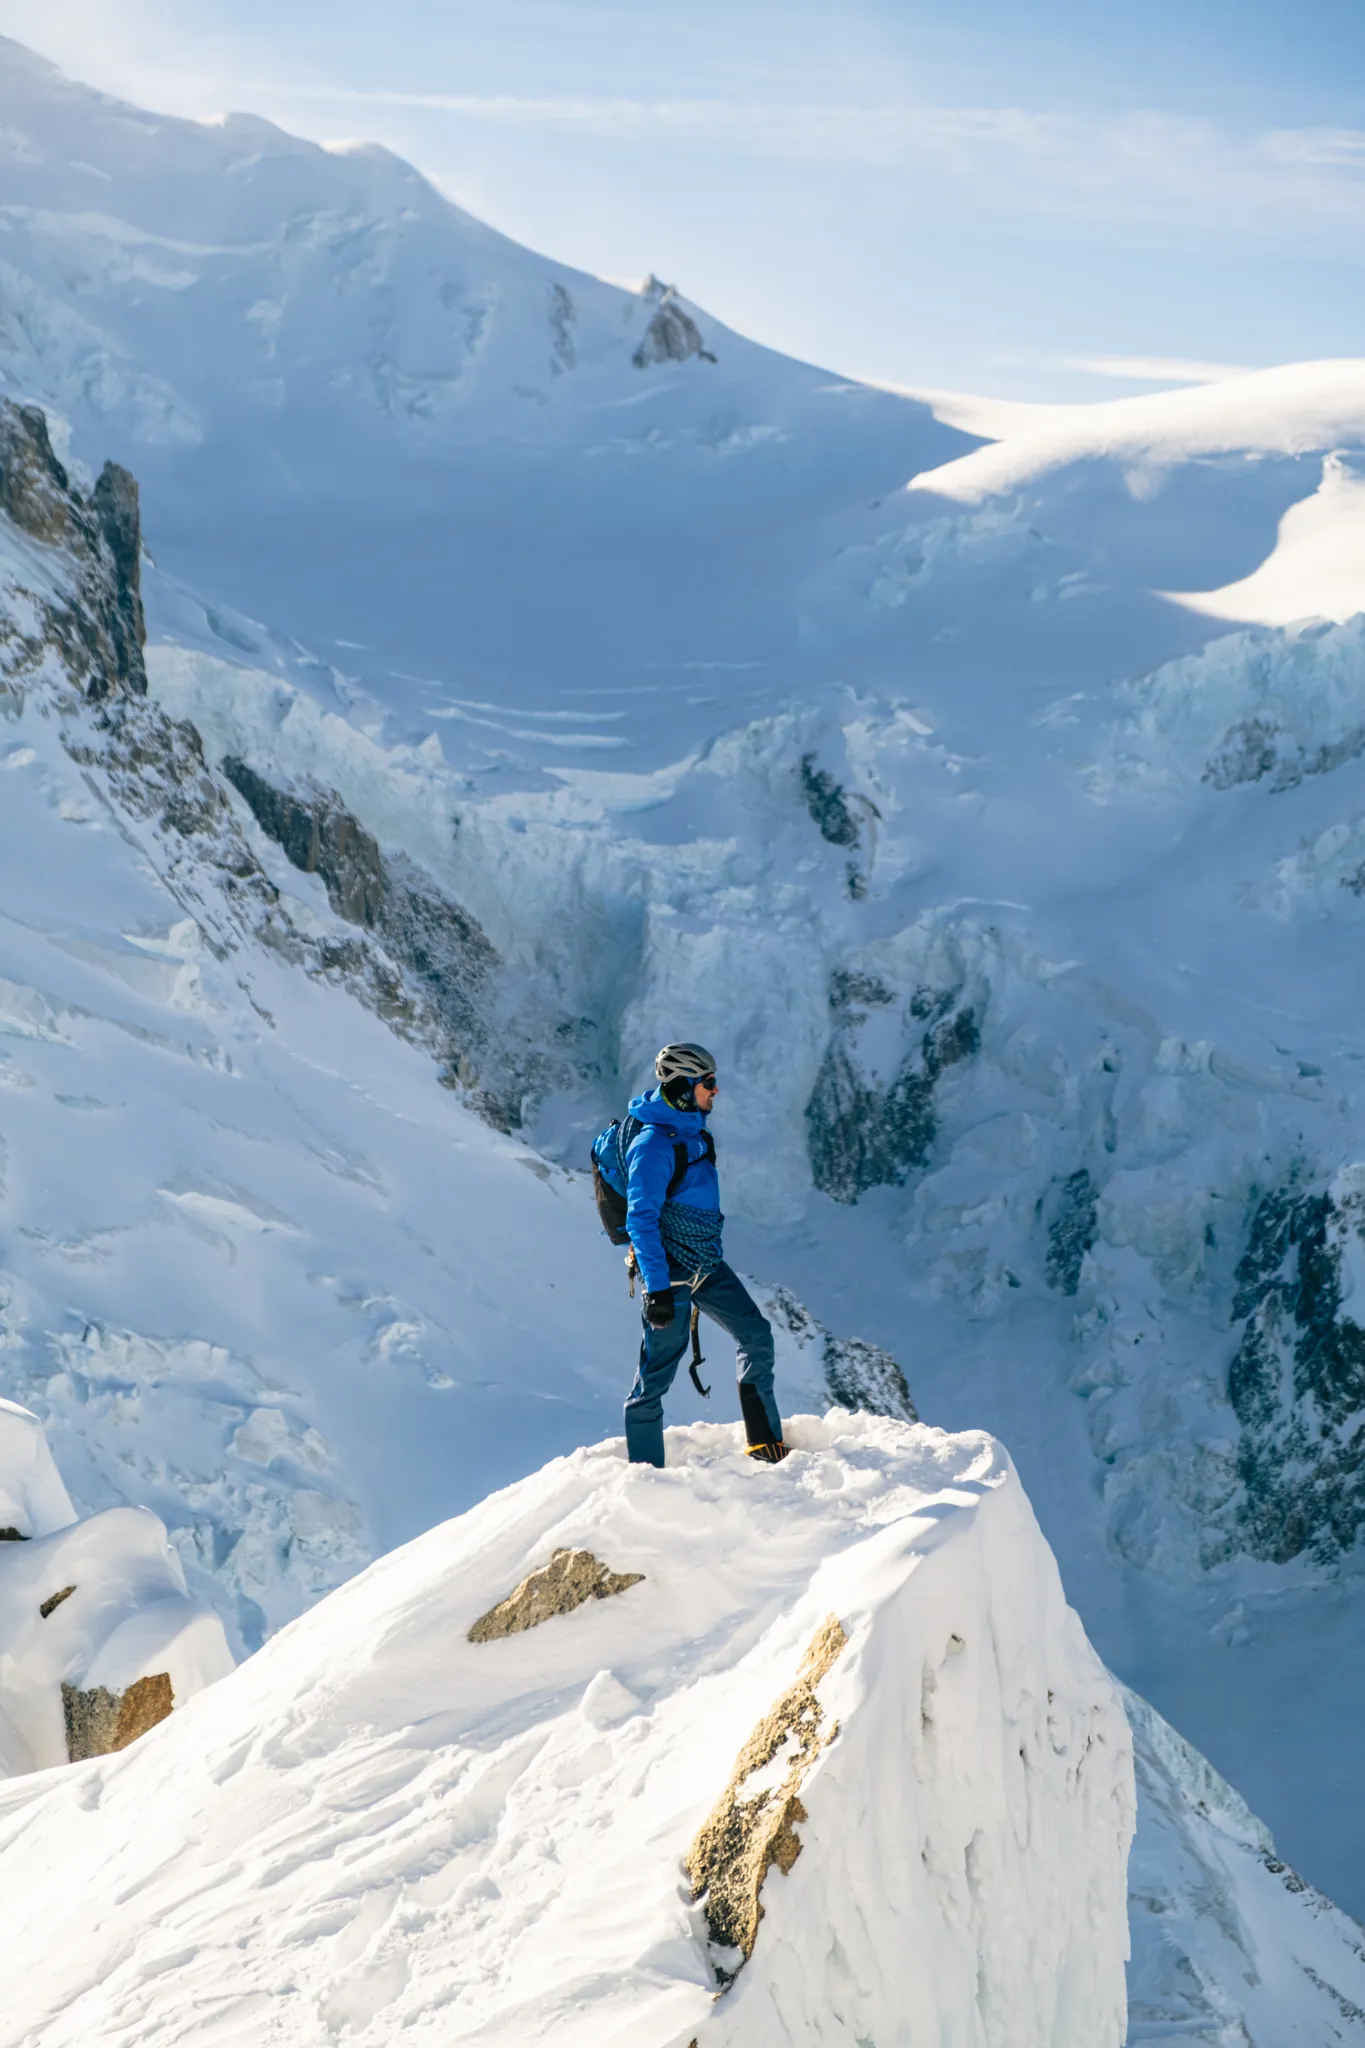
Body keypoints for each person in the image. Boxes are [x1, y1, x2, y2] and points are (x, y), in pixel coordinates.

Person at [621, 1042, 788, 1468]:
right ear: (681, 1087)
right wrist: (657, 1290)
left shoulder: (692, 1132)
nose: (715, 1091)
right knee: (654, 1379)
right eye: (708, 1083)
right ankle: (644, 1476)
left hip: (704, 1264)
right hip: (671, 1275)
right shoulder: (653, 1145)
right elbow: (640, 1221)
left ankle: (765, 1445)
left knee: (756, 1335)